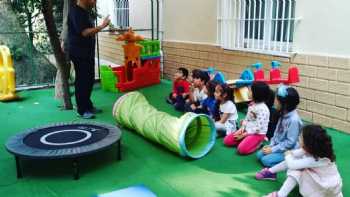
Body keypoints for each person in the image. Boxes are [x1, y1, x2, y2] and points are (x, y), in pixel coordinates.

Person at [257, 125, 343, 197]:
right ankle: (271, 172)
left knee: (297, 170)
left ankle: (280, 195)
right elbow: (297, 153)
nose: (299, 138)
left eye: (301, 137)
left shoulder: (316, 159)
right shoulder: (314, 151)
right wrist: (291, 153)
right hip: (329, 186)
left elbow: (292, 165)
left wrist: (288, 155)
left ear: (309, 142)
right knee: (296, 162)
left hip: (325, 188)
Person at [68, 0, 110, 119]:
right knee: (82, 80)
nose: (94, 1)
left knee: (89, 79)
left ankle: (88, 106)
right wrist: (102, 26)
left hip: (87, 53)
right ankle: (81, 110)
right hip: (79, 53)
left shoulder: (84, 12)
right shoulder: (76, 12)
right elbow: (85, 32)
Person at [256, 85, 303, 167]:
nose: (275, 102)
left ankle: (294, 160)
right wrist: (271, 145)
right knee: (259, 155)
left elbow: (290, 143)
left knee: (265, 160)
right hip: (279, 146)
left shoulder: (294, 120)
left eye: (277, 100)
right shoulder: (282, 113)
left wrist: (273, 150)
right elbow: (277, 132)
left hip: (289, 150)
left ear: (284, 104)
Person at [223, 81, 270, 155]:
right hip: (247, 130)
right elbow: (247, 119)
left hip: (257, 134)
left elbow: (258, 128)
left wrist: (244, 135)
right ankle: (246, 141)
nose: (248, 91)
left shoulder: (263, 109)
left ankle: (258, 144)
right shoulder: (252, 104)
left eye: (250, 90)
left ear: (256, 94)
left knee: (241, 150)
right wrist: (242, 128)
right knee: (227, 141)